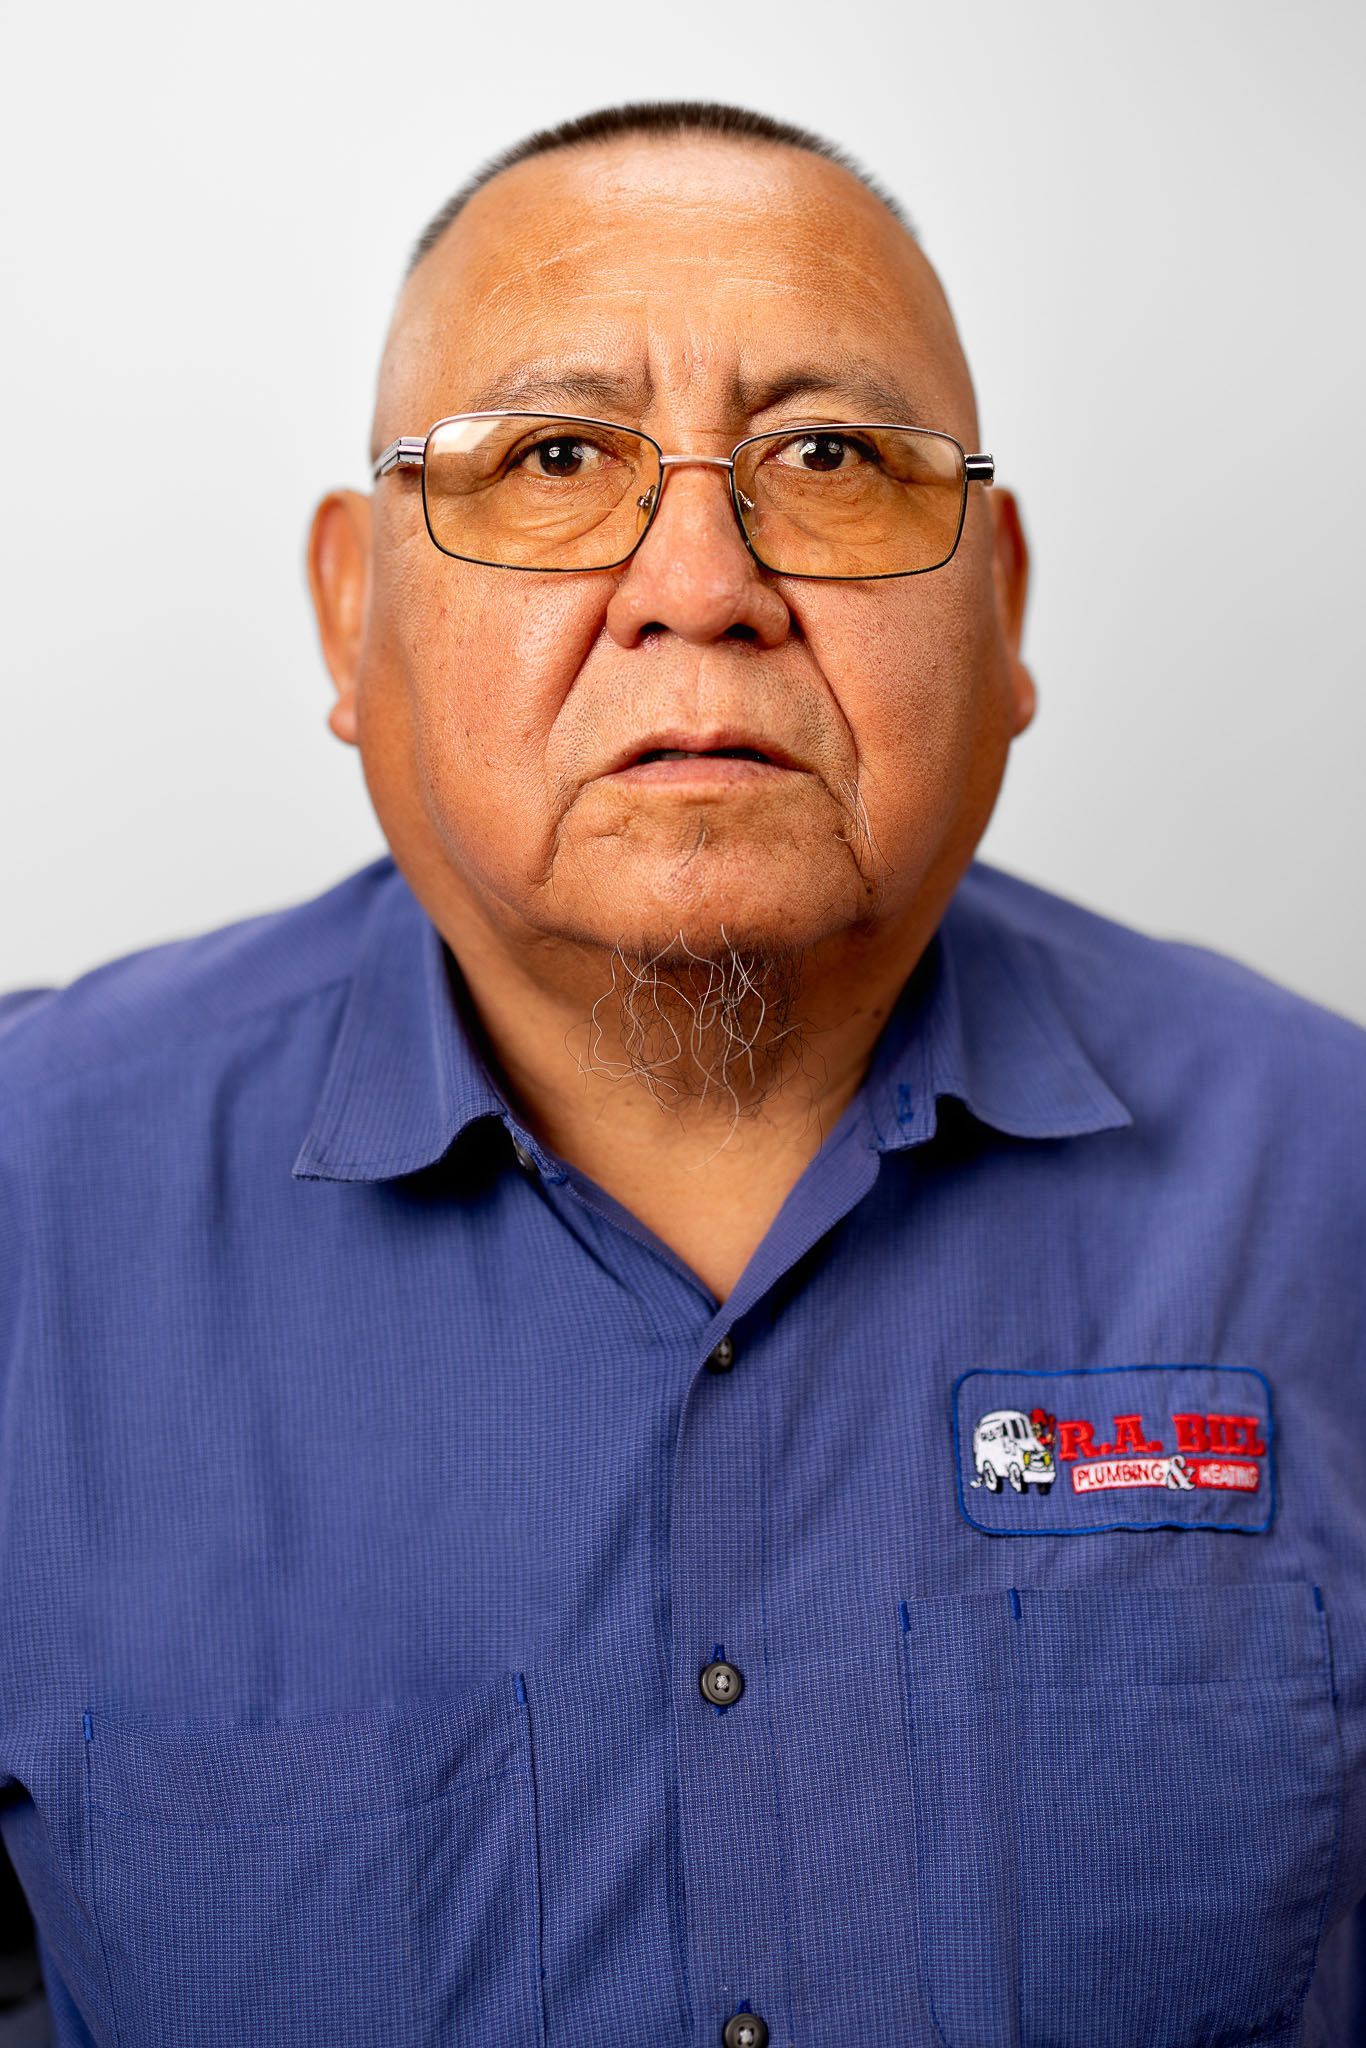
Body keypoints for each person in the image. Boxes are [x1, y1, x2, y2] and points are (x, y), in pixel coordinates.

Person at [0, 99, 1362, 2048]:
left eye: (827, 457)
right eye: (555, 458)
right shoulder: (27, 1212)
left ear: (1002, 606)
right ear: (348, 612)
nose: (700, 579)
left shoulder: (1329, 1189)